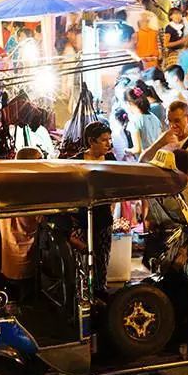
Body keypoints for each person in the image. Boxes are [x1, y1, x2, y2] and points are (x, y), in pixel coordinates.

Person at [73, 122, 115, 296]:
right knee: (82, 258)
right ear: (91, 141)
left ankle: (99, 290)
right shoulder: (76, 162)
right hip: (82, 219)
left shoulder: (111, 160)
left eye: (109, 139)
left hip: (103, 217)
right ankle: (82, 292)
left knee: (101, 257)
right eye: (104, 140)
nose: (108, 144)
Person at [0, 146, 46, 302]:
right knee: (25, 301)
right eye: (39, 159)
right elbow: (36, 219)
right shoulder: (29, 187)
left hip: (8, 259)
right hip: (24, 257)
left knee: (12, 297)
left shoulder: (5, 183)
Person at [123, 87, 162, 158]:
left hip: (145, 160)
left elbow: (137, 149)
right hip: (157, 158)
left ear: (129, 103)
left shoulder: (134, 121)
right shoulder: (154, 117)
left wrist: (126, 151)